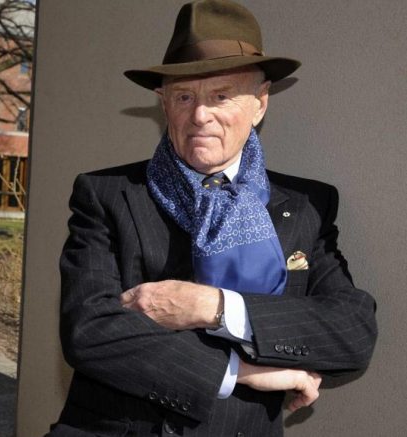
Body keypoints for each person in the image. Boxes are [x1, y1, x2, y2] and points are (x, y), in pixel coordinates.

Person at [50, 1, 378, 436]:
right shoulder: (106, 195)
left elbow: (352, 330)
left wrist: (215, 308)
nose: (200, 115)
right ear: (163, 104)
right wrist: (240, 371)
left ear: (260, 104)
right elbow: (89, 330)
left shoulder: (305, 206)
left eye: (221, 95)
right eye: (184, 96)